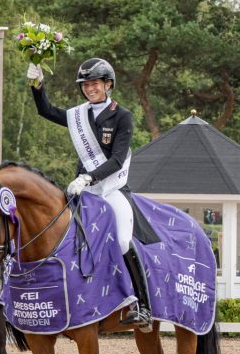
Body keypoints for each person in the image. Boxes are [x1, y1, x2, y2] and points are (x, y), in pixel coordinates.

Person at [28, 57, 151, 329]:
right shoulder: (78, 115)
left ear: (108, 84)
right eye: (85, 84)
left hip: (111, 189)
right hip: (81, 190)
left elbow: (118, 160)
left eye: (95, 83)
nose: (89, 88)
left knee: (120, 239)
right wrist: (37, 85)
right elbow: (46, 110)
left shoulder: (122, 116)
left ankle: (143, 305)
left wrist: (88, 177)